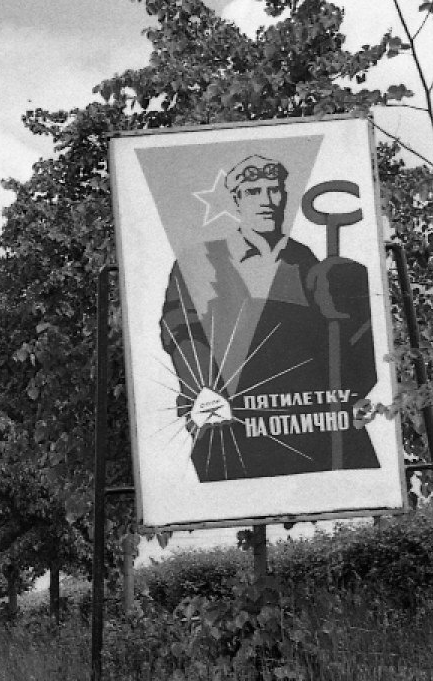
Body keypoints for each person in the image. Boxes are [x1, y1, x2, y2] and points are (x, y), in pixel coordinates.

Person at [159, 153, 378, 482]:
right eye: (253, 191)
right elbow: (181, 329)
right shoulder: (201, 259)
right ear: (236, 200)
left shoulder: (303, 259)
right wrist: (205, 388)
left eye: (274, 190)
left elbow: (337, 350)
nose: (266, 200)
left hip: (307, 425)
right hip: (231, 421)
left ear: (285, 198)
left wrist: (352, 300)